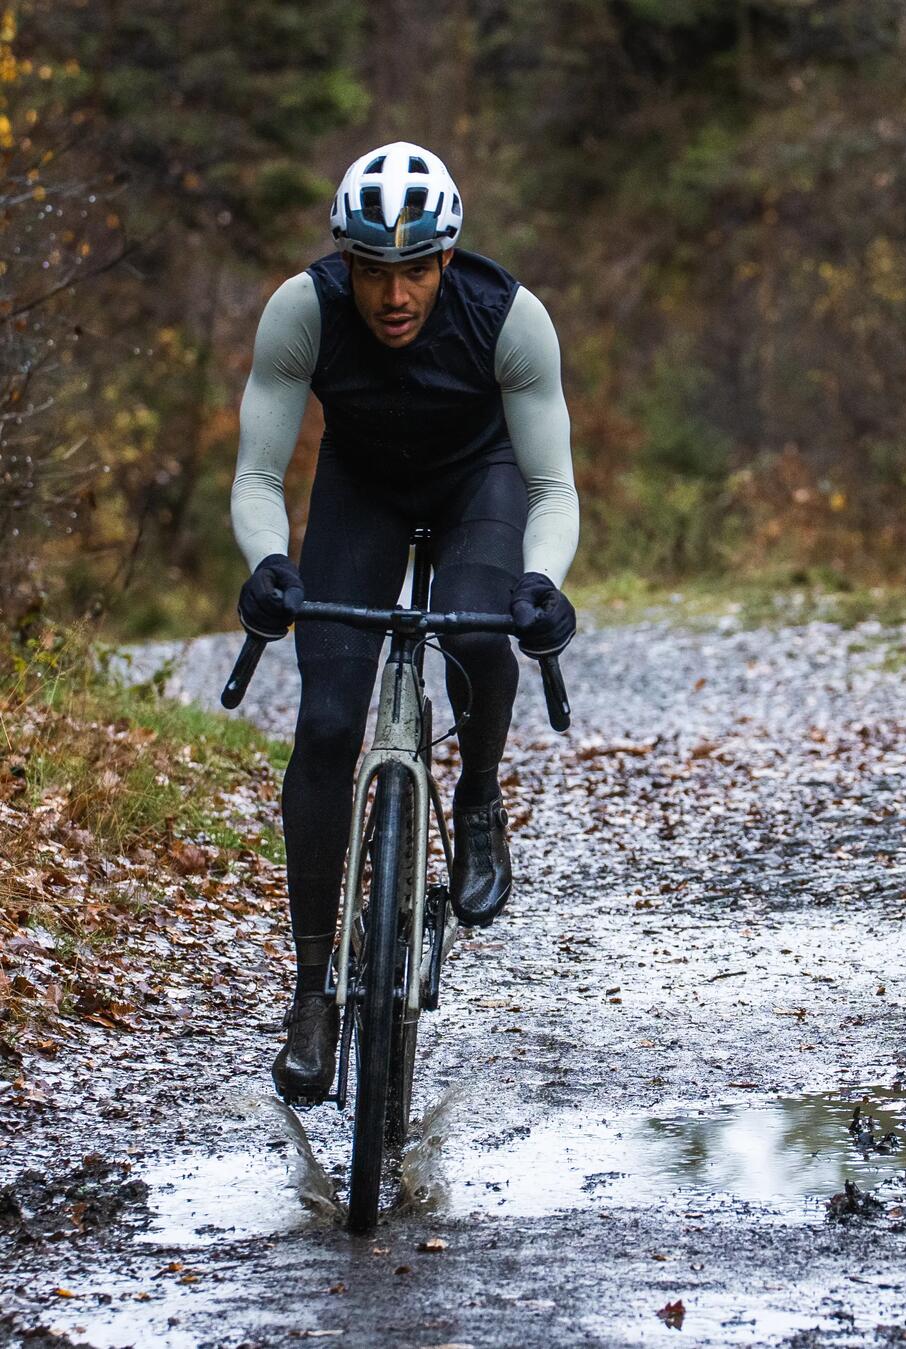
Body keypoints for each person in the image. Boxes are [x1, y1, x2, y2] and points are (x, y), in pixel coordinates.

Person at [229, 142, 580, 1104]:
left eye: (414, 271)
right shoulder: (303, 311)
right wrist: (268, 563)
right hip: (363, 488)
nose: (393, 296)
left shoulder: (510, 319)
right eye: (374, 272)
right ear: (346, 265)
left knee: (476, 630)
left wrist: (542, 583)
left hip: (481, 480)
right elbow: (259, 476)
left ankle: (476, 798)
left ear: (446, 263)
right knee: (328, 724)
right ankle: (311, 994)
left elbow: (552, 487)